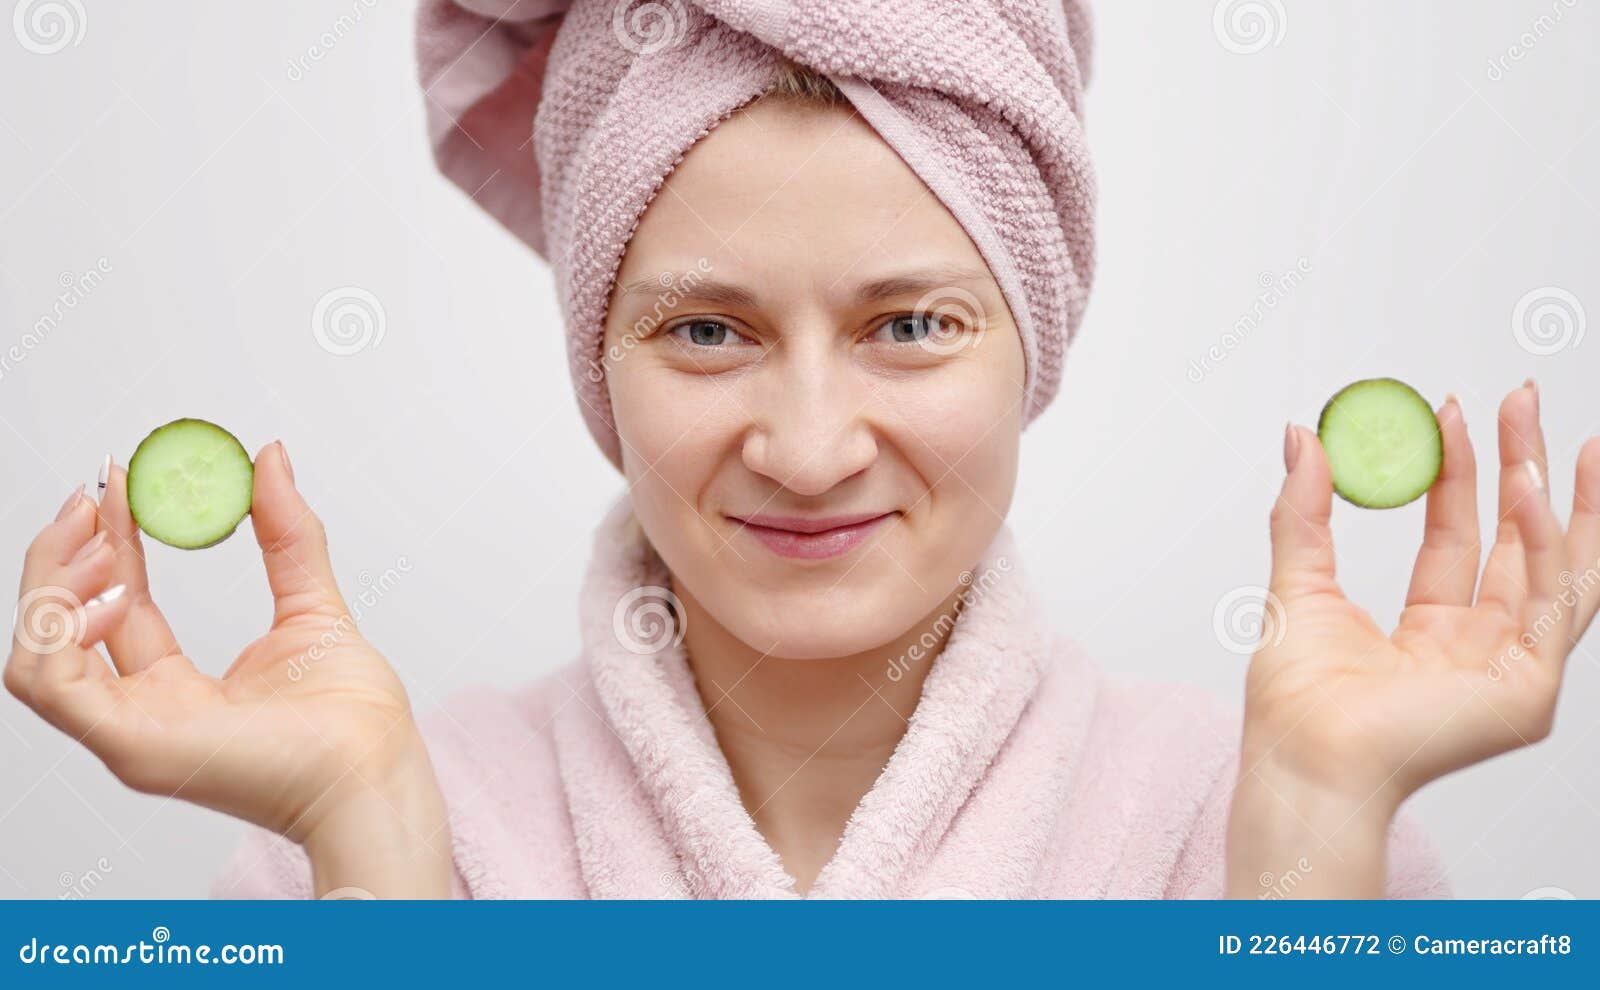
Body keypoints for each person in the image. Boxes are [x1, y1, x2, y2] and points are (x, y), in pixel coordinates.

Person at [7, 0, 1597, 899]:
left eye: (913, 324)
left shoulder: (1254, 827)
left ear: (1032, 341)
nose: (814, 444)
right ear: (599, 363)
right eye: (708, 331)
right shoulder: (342, 847)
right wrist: (376, 844)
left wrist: (1320, 820)